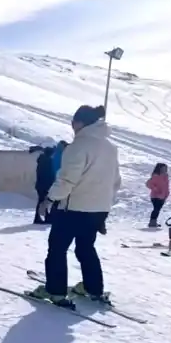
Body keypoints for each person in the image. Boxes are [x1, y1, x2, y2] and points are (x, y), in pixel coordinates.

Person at [34, 105, 121, 307]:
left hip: (74, 209)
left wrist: (49, 199)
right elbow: (116, 182)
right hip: (98, 210)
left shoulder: (78, 146)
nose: (72, 126)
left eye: (73, 122)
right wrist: (104, 206)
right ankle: (93, 288)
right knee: (85, 248)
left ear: (81, 123)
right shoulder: (110, 148)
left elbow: (66, 180)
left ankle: (55, 291)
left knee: (57, 248)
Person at [34, 147, 55, 224]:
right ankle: (39, 218)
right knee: (43, 202)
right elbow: (49, 175)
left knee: (42, 201)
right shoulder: (48, 161)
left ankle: (44, 217)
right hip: (45, 185)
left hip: (40, 185)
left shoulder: (41, 161)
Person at [146, 162, 169, 227]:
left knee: (157, 209)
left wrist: (167, 194)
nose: (164, 169)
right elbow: (148, 184)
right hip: (155, 196)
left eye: (165, 168)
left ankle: (154, 222)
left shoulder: (165, 176)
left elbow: (166, 186)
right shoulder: (156, 176)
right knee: (156, 209)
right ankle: (152, 222)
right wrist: (155, 189)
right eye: (163, 168)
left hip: (163, 196)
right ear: (159, 168)